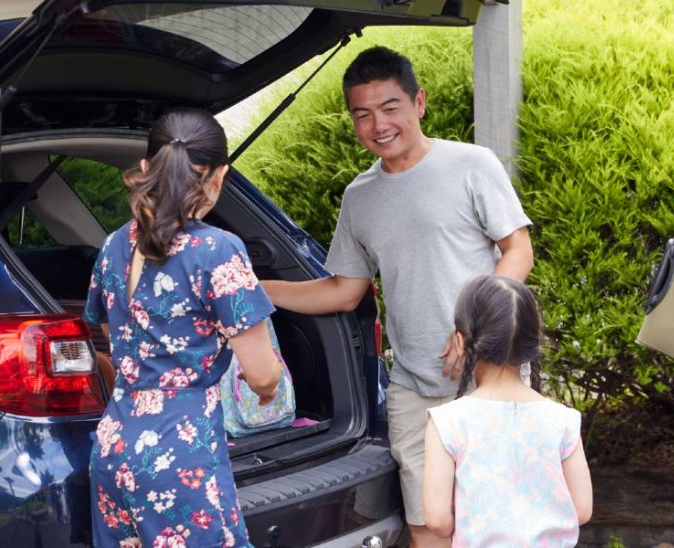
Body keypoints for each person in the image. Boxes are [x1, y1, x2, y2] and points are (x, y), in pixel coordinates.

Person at [259, 46, 534, 547]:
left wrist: (476, 327)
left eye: (390, 108)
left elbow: (518, 249)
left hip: (489, 374)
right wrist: (250, 291)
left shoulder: (471, 164)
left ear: (419, 103)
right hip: (412, 385)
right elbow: (344, 291)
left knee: (497, 519)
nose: (378, 125)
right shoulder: (359, 196)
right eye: (362, 114)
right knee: (426, 520)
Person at [84, 107, 284, 547]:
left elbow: (106, 329)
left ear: (144, 169)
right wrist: (268, 390)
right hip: (180, 450)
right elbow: (263, 375)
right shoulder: (218, 249)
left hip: (115, 444)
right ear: (219, 175)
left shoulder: (114, 244)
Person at [421, 275, 593, 545]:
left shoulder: (448, 422)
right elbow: (581, 510)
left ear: (460, 341)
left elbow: (437, 519)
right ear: (532, 341)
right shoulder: (563, 419)